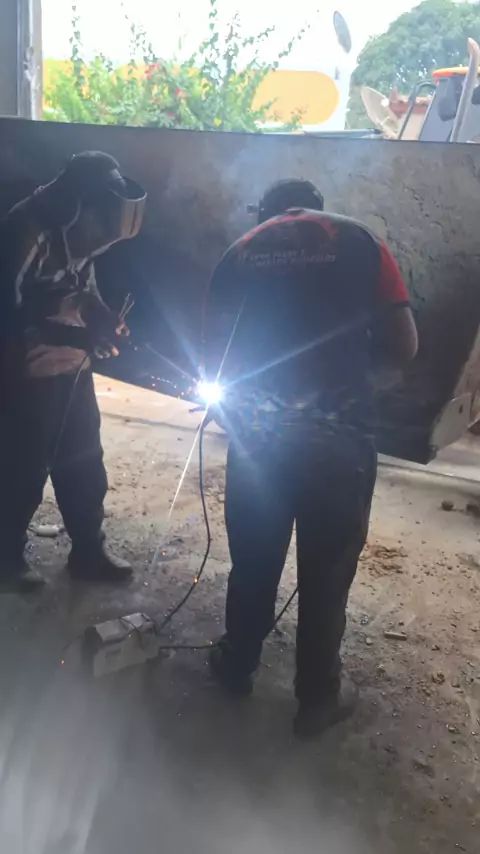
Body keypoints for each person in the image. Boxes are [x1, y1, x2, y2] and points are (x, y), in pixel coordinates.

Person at [202, 179, 418, 738]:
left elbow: (215, 355)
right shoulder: (361, 241)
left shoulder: (242, 249)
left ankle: (236, 665)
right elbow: (405, 346)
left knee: (254, 558)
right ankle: (318, 699)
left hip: (261, 437)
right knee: (326, 569)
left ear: (266, 213)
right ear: (318, 210)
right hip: (338, 437)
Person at [0, 151, 146, 591]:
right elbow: (6, 316)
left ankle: (88, 550)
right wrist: (69, 336)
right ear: (79, 206)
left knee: (83, 458)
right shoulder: (24, 232)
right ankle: (4, 558)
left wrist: (102, 320)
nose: (102, 242)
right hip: (22, 371)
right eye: (101, 230)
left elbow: (83, 289)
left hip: (70, 366)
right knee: (23, 466)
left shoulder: (81, 233)